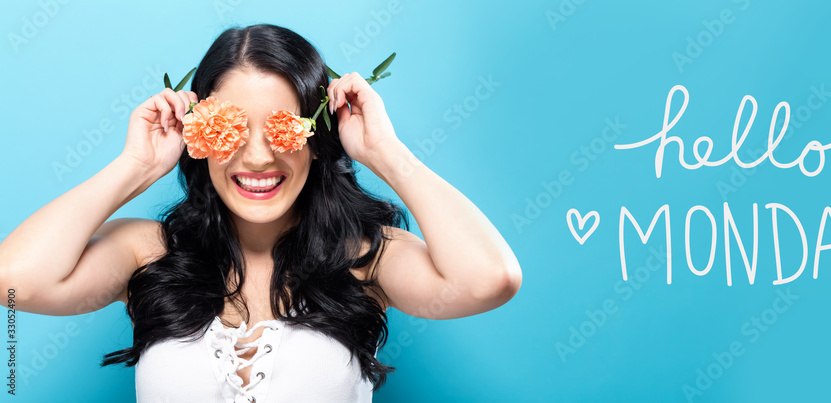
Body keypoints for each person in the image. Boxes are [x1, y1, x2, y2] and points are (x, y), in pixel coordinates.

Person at [0, 23, 521, 402]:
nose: (256, 158)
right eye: (231, 129)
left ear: (317, 137)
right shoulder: (149, 254)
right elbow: (13, 279)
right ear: (198, 135)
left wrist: (385, 153)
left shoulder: (366, 257)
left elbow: (489, 279)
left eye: (281, 130)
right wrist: (135, 165)